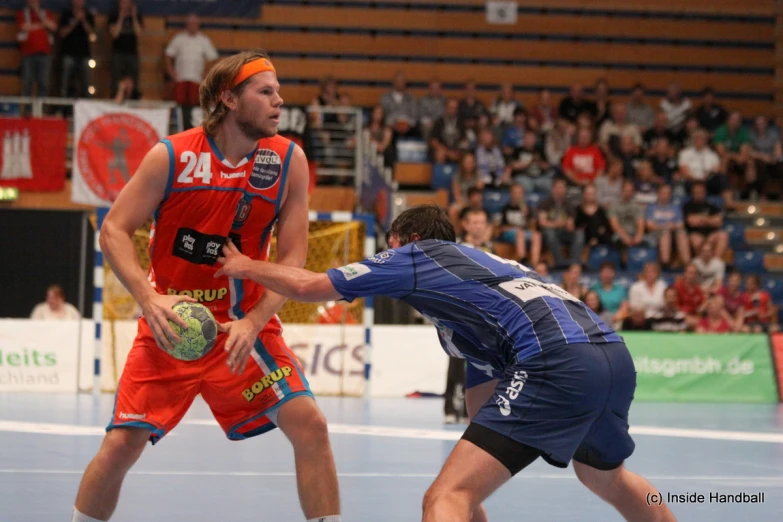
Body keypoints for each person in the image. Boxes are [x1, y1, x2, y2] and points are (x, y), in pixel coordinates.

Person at [215, 205, 676, 522]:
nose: (387, 254)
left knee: (443, 498)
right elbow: (481, 420)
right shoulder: (481, 283)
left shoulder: (417, 255)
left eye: (390, 244)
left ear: (408, 240)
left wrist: (244, 265)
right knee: (606, 477)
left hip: (555, 361)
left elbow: (314, 286)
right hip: (612, 355)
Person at [70, 51, 341, 522]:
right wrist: (148, 298)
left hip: (244, 330)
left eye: (278, 91)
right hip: (171, 329)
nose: (280, 101)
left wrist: (255, 321)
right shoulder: (171, 155)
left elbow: (293, 258)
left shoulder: (288, 161)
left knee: (311, 426)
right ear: (229, 99)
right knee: (120, 444)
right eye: (266, 92)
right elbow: (113, 229)